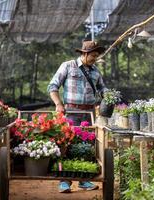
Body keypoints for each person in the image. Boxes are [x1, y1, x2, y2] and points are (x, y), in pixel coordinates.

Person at [47, 40, 107, 193]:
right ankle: (64, 181)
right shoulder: (68, 66)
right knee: (66, 145)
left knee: (87, 147)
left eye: (96, 55)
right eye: (93, 55)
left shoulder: (95, 71)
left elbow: (102, 89)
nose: (95, 58)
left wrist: (110, 97)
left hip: (89, 114)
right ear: (84, 53)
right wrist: (59, 104)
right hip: (71, 112)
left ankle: (84, 180)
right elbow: (52, 86)